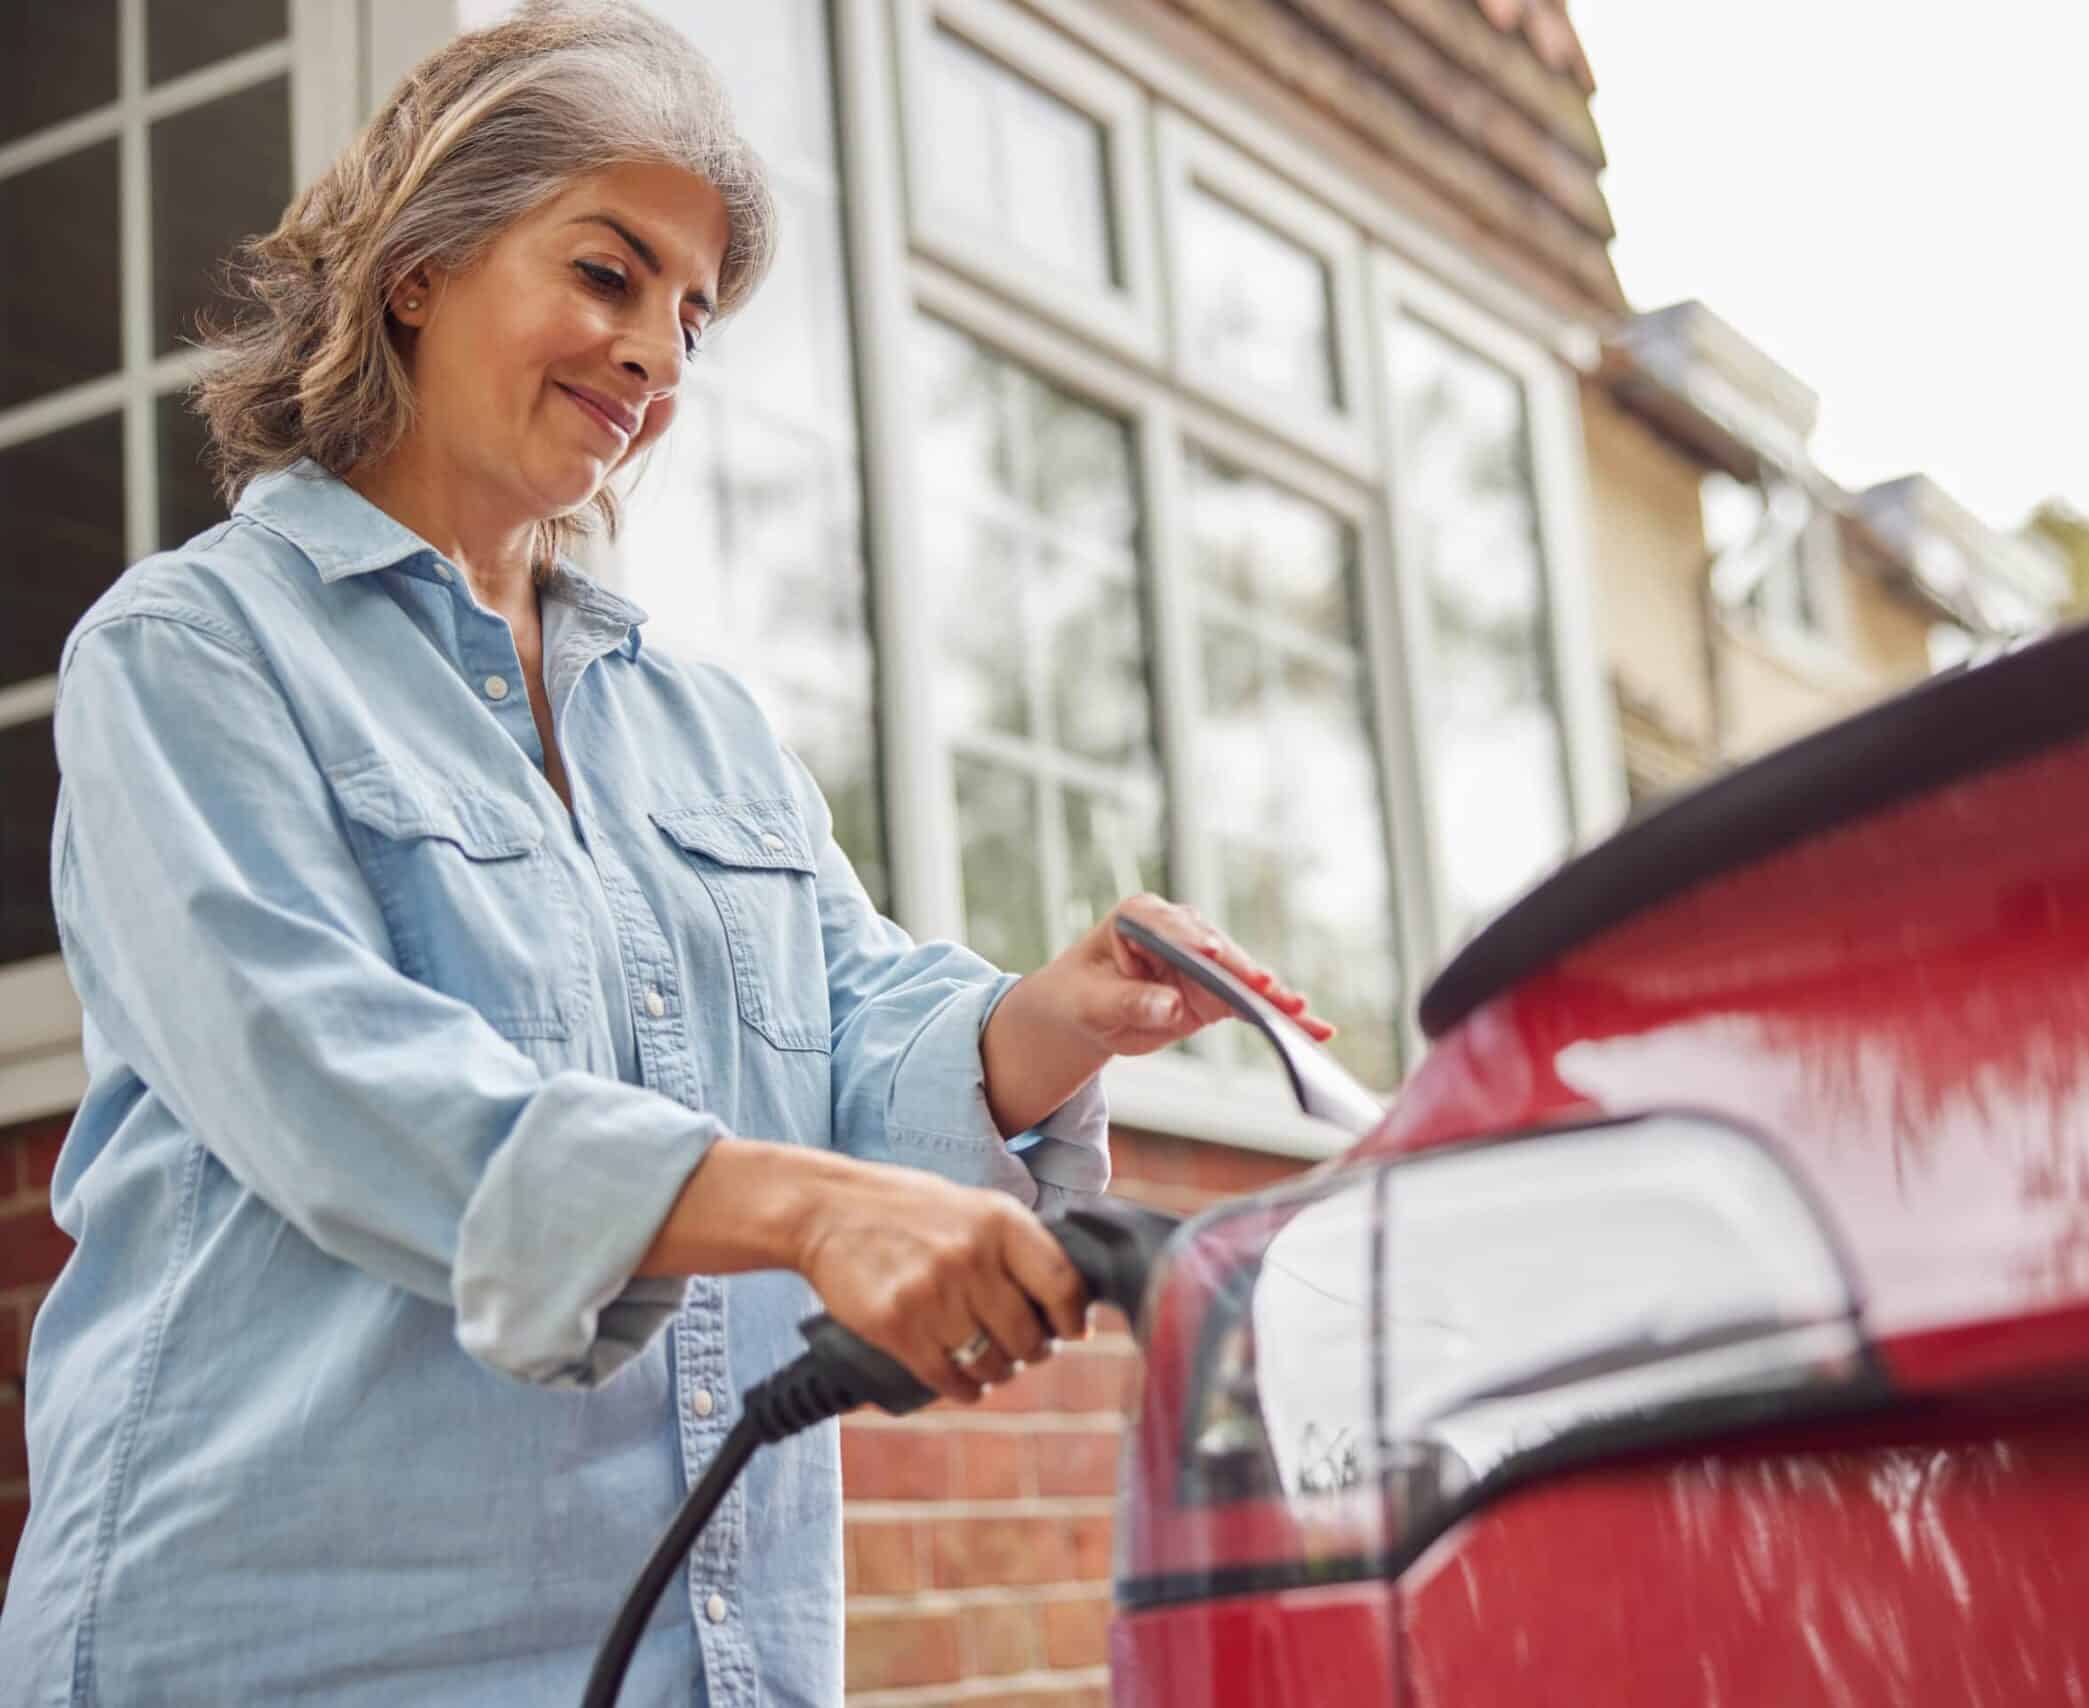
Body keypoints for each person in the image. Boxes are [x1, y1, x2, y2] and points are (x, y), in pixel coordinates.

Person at [0, 6, 1333, 1703]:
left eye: (692, 317)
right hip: (301, 1642)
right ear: (419, 265)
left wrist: (1047, 1023)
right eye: (609, 275)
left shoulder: (697, 723)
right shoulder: (192, 654)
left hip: (705, 1652)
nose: (657, 356)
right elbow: (328, 1078)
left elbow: (850, 1029)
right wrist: (806, 1210)